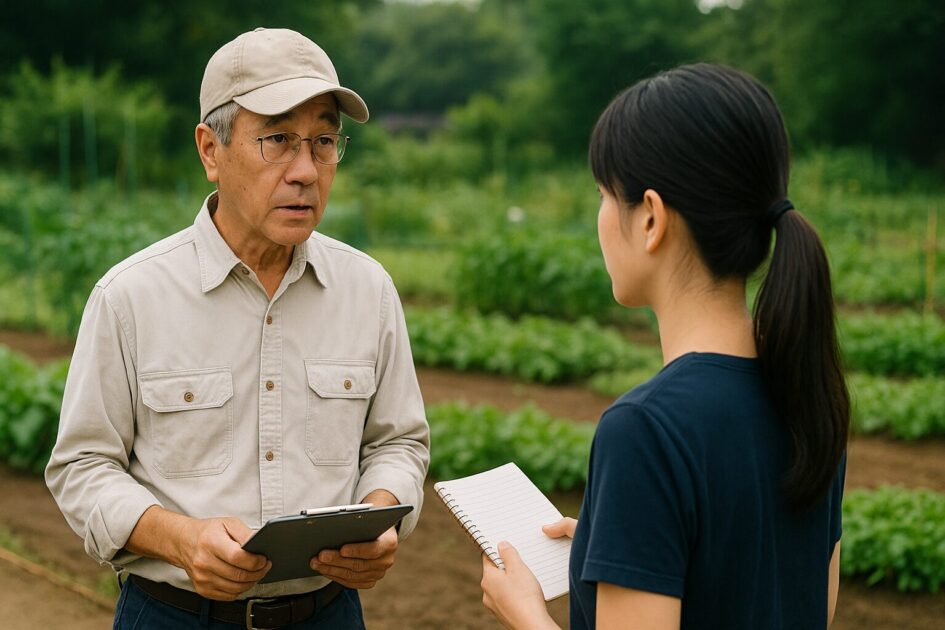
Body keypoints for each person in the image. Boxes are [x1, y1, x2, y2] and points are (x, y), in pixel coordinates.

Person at [45, 27, 430, 629]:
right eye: (277, 139)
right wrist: (178, 539)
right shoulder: (131, 297)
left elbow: (397, 442)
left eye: (324, 141)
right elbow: (83, 467)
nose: (305, 170)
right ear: (210, 150)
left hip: (328, 613)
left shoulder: (367, 289)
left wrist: (379, 515)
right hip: (174, 614)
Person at [479, 63, 849, 629]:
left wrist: (526, 613)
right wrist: (620, 543)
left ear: (650, 217)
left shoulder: (646, 431)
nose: (600, 216)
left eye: (605, 194)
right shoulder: (807, 396)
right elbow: (807, 606)